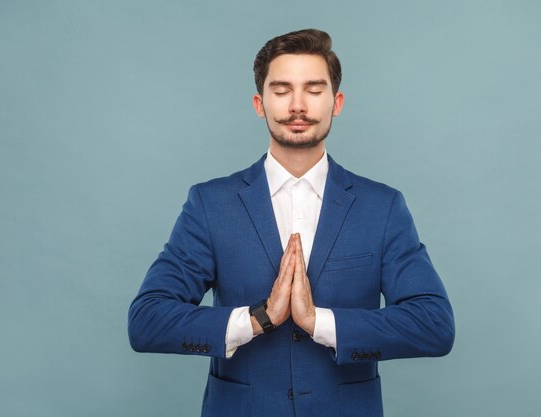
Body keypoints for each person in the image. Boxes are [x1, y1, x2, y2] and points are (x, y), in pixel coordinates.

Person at [128, 28, 454, 417]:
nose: (297, 105)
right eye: (281, 90)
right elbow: (147, 319)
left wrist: (321, 323)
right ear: (259, 103)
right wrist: (256, 320)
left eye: (314, 90)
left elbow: (434, 325)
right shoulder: (211, 204)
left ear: (337, 102)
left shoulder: (381, 207)